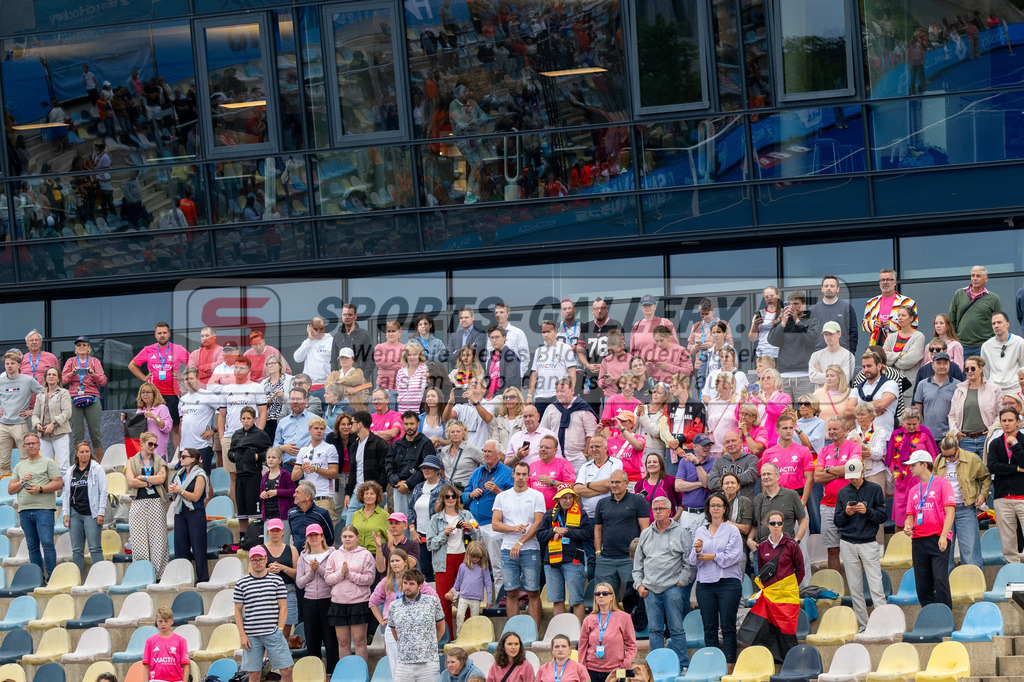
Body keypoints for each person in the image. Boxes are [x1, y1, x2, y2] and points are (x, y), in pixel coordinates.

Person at [632, 496, 694, 671]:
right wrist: (639, 585)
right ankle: (656, 667)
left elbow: (689, 562)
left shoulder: (681, 532)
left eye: (661, 509)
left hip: (672, 588)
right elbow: (637, 565)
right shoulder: (645, 534)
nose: (657, 512)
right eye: (655, 509)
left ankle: (683, 665)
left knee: (676, 629)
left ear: (669, 511)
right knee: (655, 630)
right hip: (650, 589)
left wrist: (681, 582)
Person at [689, 491, 743, 667]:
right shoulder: (700, 530)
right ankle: (711, 665)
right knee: (709, 628)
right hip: (705, 584)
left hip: (728, 583)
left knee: (728, 626)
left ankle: (729, 665)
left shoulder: (732, 530)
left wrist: (713, 556)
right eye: (713, 505)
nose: (716, 508)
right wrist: (697, 551)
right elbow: (692, 560)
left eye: (719, 505)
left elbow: (734, 556)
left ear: (725, 508)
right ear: (708, 509)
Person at [834, 459, 887, 628]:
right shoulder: (843, 492)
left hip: (868, 541)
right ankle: (864, 625)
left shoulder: (875, 489)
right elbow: (837, 521)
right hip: (848, 541)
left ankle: (882, 624)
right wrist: (847, 513)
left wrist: (867, 511)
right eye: (850, 477)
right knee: (855, 588)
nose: (853, 480)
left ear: (863, 472)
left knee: (876, 587)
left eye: (856, 476)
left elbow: (883, 516)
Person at [746, 510, 804, 663]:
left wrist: (789, 587)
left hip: (787, 597)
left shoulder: (791, 544)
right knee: (769, 629)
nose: (776, 526)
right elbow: (760, 569)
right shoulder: (763, 546)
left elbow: (800, 570)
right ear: (767, 525)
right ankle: (773, 660)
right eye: (773, 523)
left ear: (783, 525)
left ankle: (791, 662)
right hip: (770, 596)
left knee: (787, 631)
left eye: (779, 523)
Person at [492, 461, 545, 627]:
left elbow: (537, 524)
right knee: (511, 593)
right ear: (513, 475)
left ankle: (534, 632)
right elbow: (495, 524)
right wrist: (514, 528)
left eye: (524, 474)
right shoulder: (502, 497)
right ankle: (512, 632)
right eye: (518, 474)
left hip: (531, 549)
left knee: (533, 592)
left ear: (528, 476)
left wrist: (520, 542)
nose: (521, 477)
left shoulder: (537, 496)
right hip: (508, 549)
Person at [903, 449, 956, 608]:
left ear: (924, 465)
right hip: (918, 541)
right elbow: (910, 516)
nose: (910, 468)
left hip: (938, 538)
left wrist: (943, 535)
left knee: (940, 580)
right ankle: (931, 616)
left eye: (913, 465)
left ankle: (946, 616)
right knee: (922, 585)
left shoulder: (943, 483)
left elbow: (950, 511)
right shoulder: (913, 490)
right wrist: (907, 526)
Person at [234, 545, 295, 682]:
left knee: (287, 669)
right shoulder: (241, 583)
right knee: (254, 674)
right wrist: (242, 635)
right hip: (251, 635)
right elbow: (237, 611)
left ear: (266, 559)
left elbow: (283, 608)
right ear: (250, 561)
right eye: (254, 560)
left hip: (272, 632)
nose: (258, 562)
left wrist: (279, 629)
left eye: (260, 559)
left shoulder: (277, 580)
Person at [427, 483, 480, 633]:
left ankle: (469, 635)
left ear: (458, 498)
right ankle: (446, 638)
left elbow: (478, 538)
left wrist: (472, 530)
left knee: (467, 598)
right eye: (447, 496)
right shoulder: (435, 519)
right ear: (442, 499)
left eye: (454, 496)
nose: (450, 499)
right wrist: (443, 534)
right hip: (444, 561)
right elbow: (430, 544)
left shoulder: (467, 515)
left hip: (464, 559)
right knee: (444, 600)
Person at [462, 440, 514, 594]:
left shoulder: (507, 472)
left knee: (497, 565)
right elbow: (464, 496)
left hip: (494, 526)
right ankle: (478, 597)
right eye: (484, 451)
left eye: (490, 451)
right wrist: (471, 494)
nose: (486, 454)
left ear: (499, 454)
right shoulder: (477, 472)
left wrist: (498, 491)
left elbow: (514, 498)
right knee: (475, 565)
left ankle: (500, 597)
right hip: (474, 525)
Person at [8, 433, 62, 577]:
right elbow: (10, 489)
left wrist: (41, 489)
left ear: (39, 445)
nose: (31, 446)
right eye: (28, 444)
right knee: (32, 547)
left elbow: (58, 483)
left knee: (47, 543)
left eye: (34, 443)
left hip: (44, 509)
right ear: (24, 447)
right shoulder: (20, 466)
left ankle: (52, 577)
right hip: (25, 510)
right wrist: (22, 481)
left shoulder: (48, 462)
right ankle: (38, 578)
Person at [129, 323, 189, 451]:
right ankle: (152, 454)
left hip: (172, 393)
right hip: (152, 395)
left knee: (175, 427)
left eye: (165, 333)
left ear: (169, 334)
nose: (162, 335)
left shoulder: (177, 349)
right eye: (159, 333)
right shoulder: (148, 349)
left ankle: (178, 458)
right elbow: (132, 365)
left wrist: (183, 377)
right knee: (150, 426)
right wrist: (144, 378)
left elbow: (193, 363)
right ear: (155, 335)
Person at [934, 432, 989, 570]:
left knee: (970, 552)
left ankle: (974, 586)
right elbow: (933, 482)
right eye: (945, 456)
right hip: (944, 510)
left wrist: (982, 495)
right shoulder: (939, 460)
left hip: (965, 508)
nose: (949, 459)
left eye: (952, 455)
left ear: (958, 449)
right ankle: (946, 589)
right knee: (944, 551)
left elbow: (986, 477)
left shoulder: (971, 458)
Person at [537, 484, 592, 620]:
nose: (568, 501)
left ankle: (578, 632)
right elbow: (540, 536)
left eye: (570, 498)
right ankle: (561, 631)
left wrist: (567, 532)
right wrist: (554, 530)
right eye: (564, 498)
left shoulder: (581, 513)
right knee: (557, 599)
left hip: (573, 560)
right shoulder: (549, 515)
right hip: (551, 561)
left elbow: (588, 534)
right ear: (558, 499)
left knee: (576, 599)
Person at [324, 525, 376, 663]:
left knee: (359, 641)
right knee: (342, 641)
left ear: (357, 538)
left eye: (351, 536)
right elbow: (328, 578)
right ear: (341, 538)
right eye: (345, 536)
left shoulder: (366, 555)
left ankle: (361, 673)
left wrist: (350, 575)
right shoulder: (334, 555)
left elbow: (369, 579)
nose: (347, 539)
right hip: (339, 603)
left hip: (359, 602)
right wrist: (341, 573)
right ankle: (345, 674)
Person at [815, 417, 860, 572]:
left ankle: (857, 588)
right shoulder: (824, 450)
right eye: (830, 429)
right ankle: (836, 588)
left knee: (855, 549)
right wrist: (841, 471)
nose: (832, 432)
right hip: (828, 506)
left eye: (836, 429)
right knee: (832, 550)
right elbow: (817, 477)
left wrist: (828, 469)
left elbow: (853, 470)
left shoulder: (854, 446)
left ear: (845, 429)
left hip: (851, 505)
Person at [594, 470, 649, 595]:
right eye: (611, 482)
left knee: (633, 597)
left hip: (629, 559)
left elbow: (645, 531)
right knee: (605, 598)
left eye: (618, 482)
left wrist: (640, 555)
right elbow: (598, 529)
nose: (614, 485)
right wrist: (598, 552)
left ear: (626, 483)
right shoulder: (602, 503)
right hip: (606, 559)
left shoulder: (638, 501)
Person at [886, 407, 939, 532]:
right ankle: (900, 545)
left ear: (919, 422)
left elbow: (933, 456)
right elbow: (891, 459)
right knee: (900, 516)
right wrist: (895, 473)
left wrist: (928, 474)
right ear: (902, 421)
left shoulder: (925, 434)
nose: (911, 427)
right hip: (902, 480)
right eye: (908, 424)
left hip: (920, 480)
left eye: (914, 424)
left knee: (920, 510)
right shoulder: (896, 435)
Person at [125, 431, 169, 576]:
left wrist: (143, 478)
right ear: (142, 443)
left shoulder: (159, 460)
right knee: (139, 541)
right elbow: (131, 482)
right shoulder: (131, 461)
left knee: (158, 540)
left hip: (156, 502)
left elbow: (161, 480)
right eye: (150, 444)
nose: (153, 447)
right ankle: (142, 573)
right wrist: (151, 480)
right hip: (138, 503)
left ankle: (158, 575)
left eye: (155, 444)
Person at [296, 523, 339, 673]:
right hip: (309, 602)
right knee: (312, 641)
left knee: (331, 640)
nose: (313, 537)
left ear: (322, 537)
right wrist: (311, 573)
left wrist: (318, 569)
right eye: (310, 535)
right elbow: (300, 583)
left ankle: (331, 674)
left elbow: (332, 579)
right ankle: (315, 674)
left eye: (316, 535)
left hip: (328, 601)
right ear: (307, 538)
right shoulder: (303, 557)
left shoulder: (333, 554)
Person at [767, 291, 821, 401]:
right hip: (784, 375)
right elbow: (772, 341)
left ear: (803, 305)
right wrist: (782, 323)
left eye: (796, 304)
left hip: (804, 375)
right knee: (784, 413)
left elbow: (812, 340)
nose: (793, 307)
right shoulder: (783, 322)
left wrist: (797, 321)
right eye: (790, 304)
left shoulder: (812, 321)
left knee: (805, 412)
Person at [578, 582, 637, 682]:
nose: (601, 596)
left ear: (612, 596)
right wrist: (582, 669)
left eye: (605, 593)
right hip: (592, 671)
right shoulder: (588, 619)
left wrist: (624, 666)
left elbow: (632, 646)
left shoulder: (624, 617)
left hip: (616, 671)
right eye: (597, 593)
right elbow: (582, 647)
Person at [61, 441, 106, 571]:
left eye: (87, 451)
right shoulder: (71, 471)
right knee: (77, 550)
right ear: (76, 453)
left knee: (95, 548)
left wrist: (101, 512)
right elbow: (65, 494)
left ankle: (100, 577)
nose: (84, 454)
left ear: (90, 453)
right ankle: (77, 578)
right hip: (74, 513)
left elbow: (103, 492)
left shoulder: (97, 469)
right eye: (82, 452)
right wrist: (65, 513)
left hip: (91, 513)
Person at [987, 408, 1024, 564]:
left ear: (1017, 422)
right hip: (1002, 497)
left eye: (1010, 420)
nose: (1007, 424)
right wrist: (1015, 469)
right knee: (1008, 544)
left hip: (1022, 496)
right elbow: (992, 467)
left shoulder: (1022, 440)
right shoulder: (995, 443)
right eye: (1004, 421)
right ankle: (1015, 576)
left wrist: (1015, 446)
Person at [168, 448, 210, 583]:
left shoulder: (200, 475)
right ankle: (183, 578)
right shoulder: (178, 475)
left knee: (198, 547)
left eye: (184, 456)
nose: (181, 459)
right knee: (180, 547)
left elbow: (196, 497)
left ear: (193, 459)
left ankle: (202, 579)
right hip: (180, 512)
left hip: (195, 513)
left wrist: (179, 490)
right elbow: (175, 498)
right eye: (180, 456)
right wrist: (174, 493)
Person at [62, 336, 107, 460]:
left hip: (92, 397)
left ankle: (99, 463)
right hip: (75, 398)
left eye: (84, 345)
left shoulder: (94, 361)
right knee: (78, 432)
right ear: (76, 349)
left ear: (89, 348)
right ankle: (78, 462)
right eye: (79, 345)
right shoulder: (71, 361)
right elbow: (62, 380)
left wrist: (94, 374)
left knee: (95, 432)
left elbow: (103, 381)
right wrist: (72, 373)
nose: (81, 347)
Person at [540, 379, 598, 472]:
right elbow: (544, 432)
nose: (559, 394)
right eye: (557, 391)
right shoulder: (551, 408)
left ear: (572, 390)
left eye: (562, 391)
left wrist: (585, 455)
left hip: (578, 458)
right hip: (555, 457)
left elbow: (591, 434)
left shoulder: (583, 408)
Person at [949, 356, 1001, 458]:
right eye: (966, 369)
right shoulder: (959, 390)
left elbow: (1001, 413)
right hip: (965, 440)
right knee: (967, 472)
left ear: (981, 369)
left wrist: (992, 429)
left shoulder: (994, 389)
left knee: (986, 472)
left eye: (973, 368)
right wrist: (956, 432)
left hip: (986, 438)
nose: (969, 371)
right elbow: (952, 415)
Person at [749, 464, 807, 555]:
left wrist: (796, 541)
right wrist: (749, 540)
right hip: (762, 550)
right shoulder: (758, 499)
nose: (766, 477)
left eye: (769, 474)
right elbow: (754, 526)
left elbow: (803, 521)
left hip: (785, 549)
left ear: (777, 476)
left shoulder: (791, 495)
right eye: (763, 474)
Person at [231, 406, 273, 532]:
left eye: (249, 418)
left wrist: (256, 456)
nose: (246, 421)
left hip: (254, 474)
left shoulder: (260, 434)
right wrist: (234, 456)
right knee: (242, 511)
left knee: (255, 509)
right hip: (240, 474)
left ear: (254, 419)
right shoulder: (236, 434)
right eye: (243, 418)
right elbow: (230, 452)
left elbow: (269, 451)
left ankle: (256, 536)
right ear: (240, 419)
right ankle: (243, 538)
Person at [388, 411, 435, 518]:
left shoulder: (426, 443)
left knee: (419, 521)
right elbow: (389, 467)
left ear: (418, 424)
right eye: (406, 424)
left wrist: (408, 484)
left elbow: (427, 467)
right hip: (399, 489)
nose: (409, 427)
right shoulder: (396, 445)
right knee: (401, 521)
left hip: (419, 488)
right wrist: (398, 483)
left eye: (412, 424)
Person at [292, 416, 340, 522]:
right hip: (307, 499)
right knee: (309, 535)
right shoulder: (303, 450)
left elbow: (334, 473)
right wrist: (302, 468)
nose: (319, 431)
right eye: (316, 428)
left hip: (324, 497)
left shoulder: (330, 448)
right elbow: (294, 477)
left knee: (326, 535)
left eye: (321, 429)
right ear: (309, 430)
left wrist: (316, 469)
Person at [759, 410, 812, 503]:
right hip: (775, 497)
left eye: (791, 428)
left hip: (797, 496)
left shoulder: (804, 450)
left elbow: (809, 478)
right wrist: (766, 501)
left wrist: (803, 502)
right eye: (785, 428)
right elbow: (764, 480)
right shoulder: (768, 453)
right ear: (777, 430)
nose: (789, 431)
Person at [343, 412, 390, 519]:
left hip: (374, 494)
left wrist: (379, 491)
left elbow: (385, 470)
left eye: (351, 422)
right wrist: (348, 493)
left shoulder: (379, 443)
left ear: (360, 424)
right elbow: (353, 472)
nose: (349, 425)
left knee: (372, 529)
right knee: (350, 530)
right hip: (356, 493)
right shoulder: (354, 446)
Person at [408, 455, 447, 580]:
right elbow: (410, 511)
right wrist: (413, 531)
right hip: (420, 537)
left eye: (430, 467)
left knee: (441, 570)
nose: (426, 470)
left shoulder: (445, 487)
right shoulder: (418, 487)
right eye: (424, 468)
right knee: (425, 571)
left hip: (440, 536)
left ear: (437, 470)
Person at [950, 265, 1002, 358]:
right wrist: (954, 340)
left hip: (984, 346)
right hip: (962, 346)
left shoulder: (993, 298)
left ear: (986, 279)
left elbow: (999, 321)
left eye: (978, 276)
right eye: (973, 276)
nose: (975, 278)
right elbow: (951, 319)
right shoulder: (959, 293)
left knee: (983, 372)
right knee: (963, 372)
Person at [262, 518, 301, 642]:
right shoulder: (261, 549)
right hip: (267, 593)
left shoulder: (292, 549)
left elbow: (298, 574)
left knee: (285, 632)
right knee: (268, 630)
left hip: (287, 592)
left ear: (283, 532)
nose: (275, 533)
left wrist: (283, 568)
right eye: (272, 530)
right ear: (267, 532)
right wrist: (268, 571)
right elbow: (251, 573)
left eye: (277, 530)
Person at [529, 320, 578, 415]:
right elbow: (534, 375)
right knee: (542, 428)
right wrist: (529, 395)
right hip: (540, 397)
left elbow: (572, 372)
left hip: (558, 396)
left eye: (549, 331)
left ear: (556, 332)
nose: (546, 335)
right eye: (544, 332)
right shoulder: (538, 351)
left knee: (558, 426)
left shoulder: (565, 348)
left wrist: (570, 391)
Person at [445, 542, 492, 637]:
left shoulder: (483, 568)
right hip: (463, 597)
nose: (475, 559)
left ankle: (473, 637)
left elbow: (488, 583)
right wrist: (452, 591)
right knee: (460, 616)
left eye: (478, 557)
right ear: (468, 555)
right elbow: (458, 581)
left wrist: (489, 599)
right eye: (473, 557)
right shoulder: (463, 566)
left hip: (476, 598)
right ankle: (459, 637)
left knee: (474, 619)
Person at [847, 351, 900, 434]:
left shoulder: (890, 384)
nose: (866, 369)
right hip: (861, 438)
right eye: (863, 367)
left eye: (869, 366)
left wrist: (858, 408)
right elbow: (848, 411)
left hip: (884, 437)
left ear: (879, 366)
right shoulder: (857, 388)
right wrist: (870, 413)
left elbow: (881, 404)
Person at [31, 366, 71, 475]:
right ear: (45, 378)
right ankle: (51, 491)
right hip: (44, 436)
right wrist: (37, 424)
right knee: (46, 468)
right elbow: (35, 414)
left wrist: (53, 424)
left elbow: (67, 413)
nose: (51, 376)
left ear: (58, 379)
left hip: (60, 434)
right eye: (49, 374)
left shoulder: (63, 393)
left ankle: (66, 492)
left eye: (54, 375)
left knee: (63, 467)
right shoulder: (40, 395)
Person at [178, 367, 219, 474]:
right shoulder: (183, 399)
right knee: (187, 478)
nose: (188, 381)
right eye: (186, 379)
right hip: (185, 447)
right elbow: (181, 424)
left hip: (202, 445)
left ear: (198, 379)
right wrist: (179, 446)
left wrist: (214, 430)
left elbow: (224, 412)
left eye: (191, 378)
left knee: (205, 478)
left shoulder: (208, 395)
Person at [883, 305, 926, 405]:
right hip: (891, 386)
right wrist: (901, 354)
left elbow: (909, 361)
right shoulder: (891, 337)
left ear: (911, 318)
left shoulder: (918, 337)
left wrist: (892, 356)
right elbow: (883, 357)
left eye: (903, 315)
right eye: (898, 315)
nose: (900, 318)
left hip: (909, 387)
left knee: (907, 418)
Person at [862, 269, 917, 347]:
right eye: (882, 280)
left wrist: (892, 326)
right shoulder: (871, 303)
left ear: (895, 282)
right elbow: (864, 324)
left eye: (888, 279)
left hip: (900, 345)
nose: (885, 282)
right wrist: (873, 324)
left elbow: (914, 325)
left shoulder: (908, 302)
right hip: (876, 346)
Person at [915, 351, 959, 439]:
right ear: (932, 365)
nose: (942, 366)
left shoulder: (958, 385)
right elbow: (918, 410)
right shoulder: (922, 384)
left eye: (945, 363)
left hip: (950, 435)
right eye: (938, 363)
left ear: (949, 365)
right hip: (928, 435)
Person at [127, 382, 173, 459]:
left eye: (148, 392)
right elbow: (135, 428)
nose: (145, 394)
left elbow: (167, 428)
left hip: (157, 451)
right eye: (143, 392)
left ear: (154, 394)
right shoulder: (140, 410)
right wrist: (125, 420)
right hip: (143, 451)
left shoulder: (162, 408)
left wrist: (154, 417)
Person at [529, 435, 577, 508]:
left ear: (555, 450)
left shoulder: (564, 464)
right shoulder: (532, 466)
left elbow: (571, 487)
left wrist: (552, 482)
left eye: (547, 447)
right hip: (534, 511)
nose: (543, 449)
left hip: (557, 512)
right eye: (541, 447)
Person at [811, 275, 858, 350]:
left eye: (832, 286)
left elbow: (853, 334)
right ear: (822, 289)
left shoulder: (847, 308)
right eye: (826, 286)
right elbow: (809, 336)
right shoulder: (813, 310)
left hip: (841, 354)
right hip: (819, 354)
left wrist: (851, 354)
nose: (829, 288)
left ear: (838, 289)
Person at [143, 607, 190, 682]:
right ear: (157, 622)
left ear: (172, 622)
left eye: (166, 621)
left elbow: (185, 665)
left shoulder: (181, 641)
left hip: (176, 680)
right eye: (160, 621)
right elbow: (146, 666)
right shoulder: (150, 641)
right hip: (155, 680)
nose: (163, 624)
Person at [708, 430, 758, 500]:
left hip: (744, 506)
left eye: (733, 441)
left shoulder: (751, 459)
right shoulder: (718, 461)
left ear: (740, 442)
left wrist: (723, 481)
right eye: (727, 442)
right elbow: (712, 483)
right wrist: (740, 479)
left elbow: (749, 477)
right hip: (724, 506)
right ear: (724, 445)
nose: (730, 444)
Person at [982, 311, 1024, 393]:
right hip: (994, 390)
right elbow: (986, 371)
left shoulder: (1019, 342)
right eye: (993, 323)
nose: (996, 326)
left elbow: (1023, 367)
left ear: (1007, 324)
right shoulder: (986, 346)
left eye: (999, 322)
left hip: (1015, 389)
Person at [293, 316, 335, 394]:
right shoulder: (307, 342)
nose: (319, 331)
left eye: (321, 328)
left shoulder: (331, 341)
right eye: (316, 329)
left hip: (327, 385)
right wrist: (309, 340)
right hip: (309, 386)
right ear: (310, 328)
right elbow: (297, 358)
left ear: (325, 327)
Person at [272, 387, 312, 468]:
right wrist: (283, 448)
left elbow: (328, 438)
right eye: (292, 399)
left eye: (298, 399)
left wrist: (313, 446)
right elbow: (275, 446)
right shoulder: (283, 422)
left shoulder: (314, 420)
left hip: (307, 467)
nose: (295, 402)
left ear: (305, 401)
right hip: (287, 467)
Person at [289, 480, 335, 549]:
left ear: (307, 497)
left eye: (297, 492)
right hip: (298, 556)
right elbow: (294, 536)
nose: (294, 495)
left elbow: (330, 538)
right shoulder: (291, 513)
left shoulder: (322, 513)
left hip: (316, 556)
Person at [810, 322, 855, 388]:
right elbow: (812, 378)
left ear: (839, 334)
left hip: (840, 397)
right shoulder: (815, 355)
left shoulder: (848, 356)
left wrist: (821, 374)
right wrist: (836, 376)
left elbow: (845, 380)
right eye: (825, 334)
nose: (828, 337)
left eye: (831, 334)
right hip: (820, 397)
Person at [441, 421, 485, 489]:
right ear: (448, 434)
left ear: (463, 434)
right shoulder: (444, 450)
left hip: (465, 489)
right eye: (452, 432)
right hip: (449, 490)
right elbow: (442, 470)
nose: (455, 434)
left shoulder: (472, 449)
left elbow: (487, 462)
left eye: (458, 431)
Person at [634, 453, 678, 520]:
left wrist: (676, 518)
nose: (651, 464)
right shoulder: (640, 484)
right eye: (649, 462)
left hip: (666, 525)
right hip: (647, 526)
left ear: (661, 465)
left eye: (655, 462)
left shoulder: (670, 480)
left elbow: (681, 502)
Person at [350, 481, 389, 552]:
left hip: (376, 555)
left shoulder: (384, 515)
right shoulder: (355, 514)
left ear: (377, 496)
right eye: (366, 493)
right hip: (357, 555)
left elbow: (389, 538)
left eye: (372, 494)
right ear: (362, 496)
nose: (369, 496)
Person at [328, 348, 370, 413]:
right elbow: (328, 385)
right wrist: (346, 388)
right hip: (338, 410)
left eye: (347, 358)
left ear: (352, 360)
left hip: (355, 409)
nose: (344, 360)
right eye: (342, 358)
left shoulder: (358, 371)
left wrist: (338, 381)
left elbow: (355, 379)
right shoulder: (334, 374)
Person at [261, 447, 296, 522]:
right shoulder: (265, 476)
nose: (270, 459)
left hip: (282, 515)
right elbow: (261, 493)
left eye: (274, 457)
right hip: (268, 515)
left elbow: (293, 491)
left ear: (280, 460)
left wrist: (277, 492)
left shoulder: (285, 474)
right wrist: (262, 494)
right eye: (268, 457)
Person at [397, 343, 430, 413]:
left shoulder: (424, 369)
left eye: (415, 354)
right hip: (402, 411)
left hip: (419, 411)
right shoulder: (400, 372)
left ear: (419, 356)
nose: (412, 357)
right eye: (409, 355)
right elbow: (399, 391)